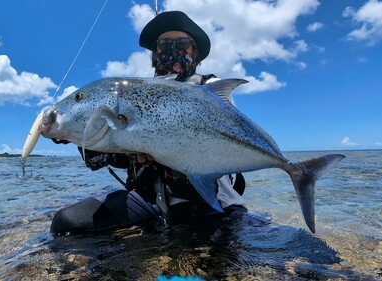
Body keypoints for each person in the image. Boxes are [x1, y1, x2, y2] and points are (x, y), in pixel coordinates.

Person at [50, 11, 246, 235]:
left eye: (182, 43)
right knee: (67, 223)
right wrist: (76, 131)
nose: (174, 50)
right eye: (164, 45)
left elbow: (223, 135)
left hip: (209, 201)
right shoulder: (137, 95)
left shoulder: (211, 87)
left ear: (195, 52)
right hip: (151, 200)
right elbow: (120, 157)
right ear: (155, 54)